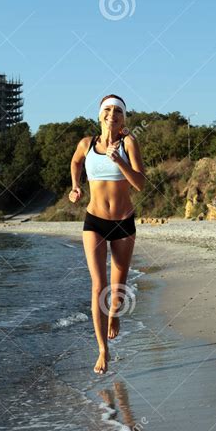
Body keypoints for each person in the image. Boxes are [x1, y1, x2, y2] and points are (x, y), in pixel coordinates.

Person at [69, 95, 146, 374]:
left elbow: (140, 183)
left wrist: (120, 162)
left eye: (117, 111)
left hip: (123, 223)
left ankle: (114, 314)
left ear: (123, 118)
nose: (112, 114)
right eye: (107, 110)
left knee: (118, 291)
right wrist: (76, 186)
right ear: (100, 115)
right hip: (95, 222)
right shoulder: (86, 144)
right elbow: (76, 163)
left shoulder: (129, 143)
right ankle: (103, 349)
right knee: (98, 285)